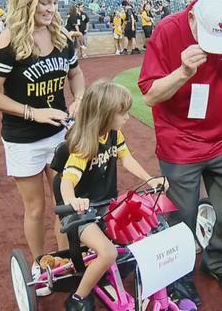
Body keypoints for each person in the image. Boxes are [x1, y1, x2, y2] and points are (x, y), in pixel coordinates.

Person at [138, 0, 222, 306]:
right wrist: (182, 73)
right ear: (192, 15)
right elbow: (150, 95)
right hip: (180, 141)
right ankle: (179, 279)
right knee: (182, 216)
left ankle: (217, 263)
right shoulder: (169, 29)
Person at [0, 0, 86, 297]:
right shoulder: (8, 41)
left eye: (54, 3)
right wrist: (33, 112)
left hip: (58, 134)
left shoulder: (61, 36)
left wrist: (78, 98)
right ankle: (40, 263)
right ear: (26, 1)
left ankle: (64, 259)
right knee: (36, 207)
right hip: (23, 138)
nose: (51, 10)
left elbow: (76, 75)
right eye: (44, 3)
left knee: (64, 202)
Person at [59, 80, 159, 310]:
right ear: (105, 114)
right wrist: (73, 202)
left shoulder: (114, 134)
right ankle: (77, 298)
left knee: (146, 231)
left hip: (107, 206)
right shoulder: (85, 145)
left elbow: (126, 159)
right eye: (122, 113)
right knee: (107, 252)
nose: (127, 117)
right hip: (82, 213)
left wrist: (150, 179)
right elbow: (66, 180)